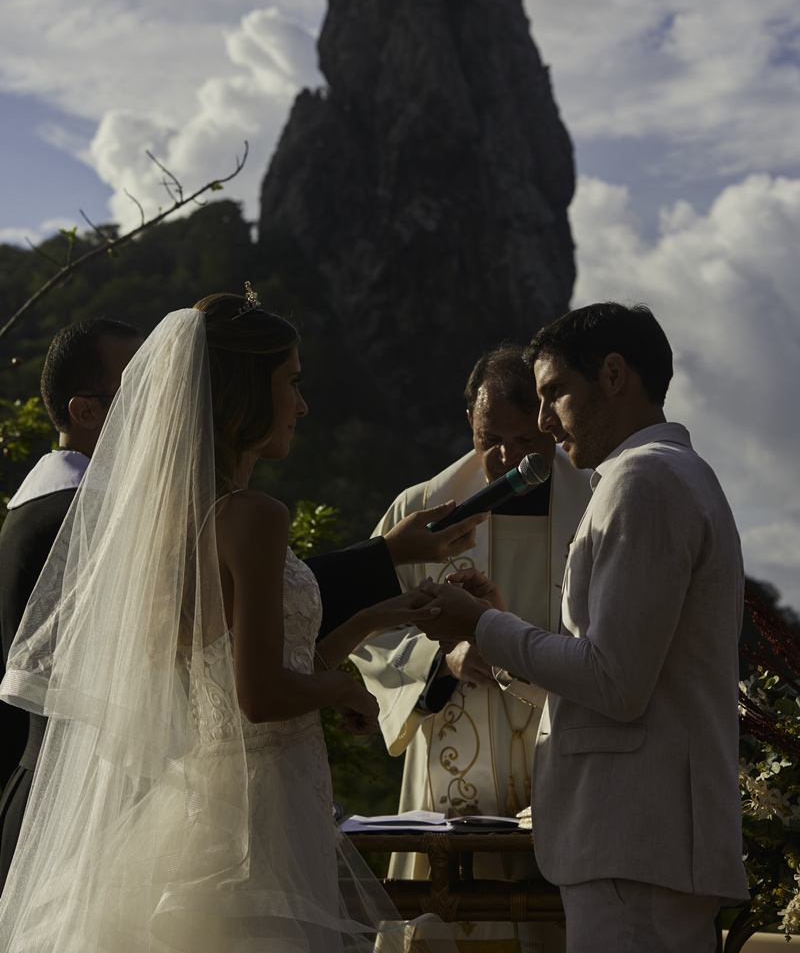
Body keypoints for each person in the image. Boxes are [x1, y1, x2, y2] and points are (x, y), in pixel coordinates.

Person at [0, 291, 458, 952]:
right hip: (259, 816)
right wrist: (344, 691)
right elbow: (261, 695)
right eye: (292, 384)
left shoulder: (178, 525)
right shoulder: (254, 516)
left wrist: (376, 618)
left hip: (207, 801)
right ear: (247, 392)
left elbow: (240, 669)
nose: (301, 406)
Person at [412, 303, 749, 953]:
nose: (542, 422)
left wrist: (482, 627)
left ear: (615, 375)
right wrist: (503, 630)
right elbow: (613, 693)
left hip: (633, 840)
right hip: (641, 841)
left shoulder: (644, 481)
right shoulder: (668, 475)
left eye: (554, 393)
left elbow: (614, 683)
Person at [350, 344, 592, 953]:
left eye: (523, 441)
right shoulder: (421, 513)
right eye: (490, 440)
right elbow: (364, 626)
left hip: (562, 764)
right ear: (469, 425)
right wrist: (443, 660)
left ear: (549, 425)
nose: (507, 459)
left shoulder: (596, 510)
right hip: (449, 781)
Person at [0, 318, 142, 882]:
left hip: (34, 797)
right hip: (73, 823)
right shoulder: (80, 517)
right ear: (86, 411)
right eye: (139, 389)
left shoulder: (35, 509)